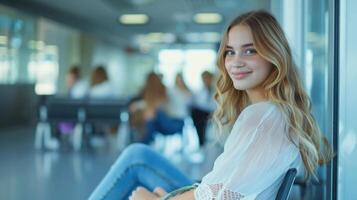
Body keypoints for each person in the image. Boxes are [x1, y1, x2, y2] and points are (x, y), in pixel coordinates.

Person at [89, 10, 333, 200]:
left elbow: (221, 196)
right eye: (230, 52)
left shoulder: (261, 117)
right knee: (138, 155)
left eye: (249, 51)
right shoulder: (274, 112)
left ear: (274, 55)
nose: (236, 62)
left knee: (135, 158)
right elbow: (220, 188)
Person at [129, 72, 184, 144]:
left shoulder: (167, 91)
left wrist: (140, 107)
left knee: (155, 114)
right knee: (150, 121)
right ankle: (143, 143)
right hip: (164, 122)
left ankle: (142, 144)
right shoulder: (155, 93)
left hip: (176, 122)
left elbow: (155, 105)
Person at [190, 71, 216, 146]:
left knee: (199, 116)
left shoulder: (217, 91)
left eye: (207, 78)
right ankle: (202, 142)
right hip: (202, 113)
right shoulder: (198, 91)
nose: (206, 80)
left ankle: (203, 141)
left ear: (211, 79)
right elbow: (194, 103)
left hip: (213, 112)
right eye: (204, 79)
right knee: (196, 113)